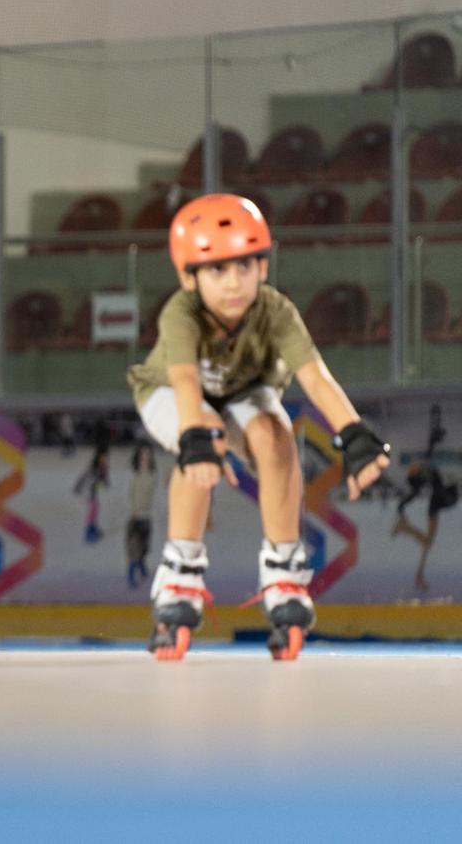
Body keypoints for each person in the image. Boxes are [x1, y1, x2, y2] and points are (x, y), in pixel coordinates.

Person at [128, 194, 390, 661]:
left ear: (263, 267)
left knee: (276, 437)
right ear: (189, 277)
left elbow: (315, 377)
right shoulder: (180, 313)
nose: (234, 283)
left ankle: (284, 571)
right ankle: (179, 575)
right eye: (217, 270)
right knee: (205, 437)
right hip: (167, 391)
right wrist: (196, 437)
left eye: (245, 266)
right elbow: (185, 380)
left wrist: (353, 434)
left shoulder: (275, 311)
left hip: (246, 390)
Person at [392, 404, 457, 594]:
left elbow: (429, 451)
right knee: (427, 543)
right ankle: (405, 531)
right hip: (440, 501)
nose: (415, 466)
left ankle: (419, 575)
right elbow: (408, 498)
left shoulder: (424, 472)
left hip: (440, 501)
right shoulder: (422, 477)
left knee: (427, 543)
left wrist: (435, 424)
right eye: (414, 468)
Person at [124, 441, 157, 588]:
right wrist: (131, 511)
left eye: (148, 454)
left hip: (147, 515)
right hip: (133, 515)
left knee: (145, 545)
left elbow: (154, 494)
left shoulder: (152, 473)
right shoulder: (132, 472)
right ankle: (131, 573)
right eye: (143, 453)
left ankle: (142, 567)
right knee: (133, 546)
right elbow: (127, 493)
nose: (145, 456)